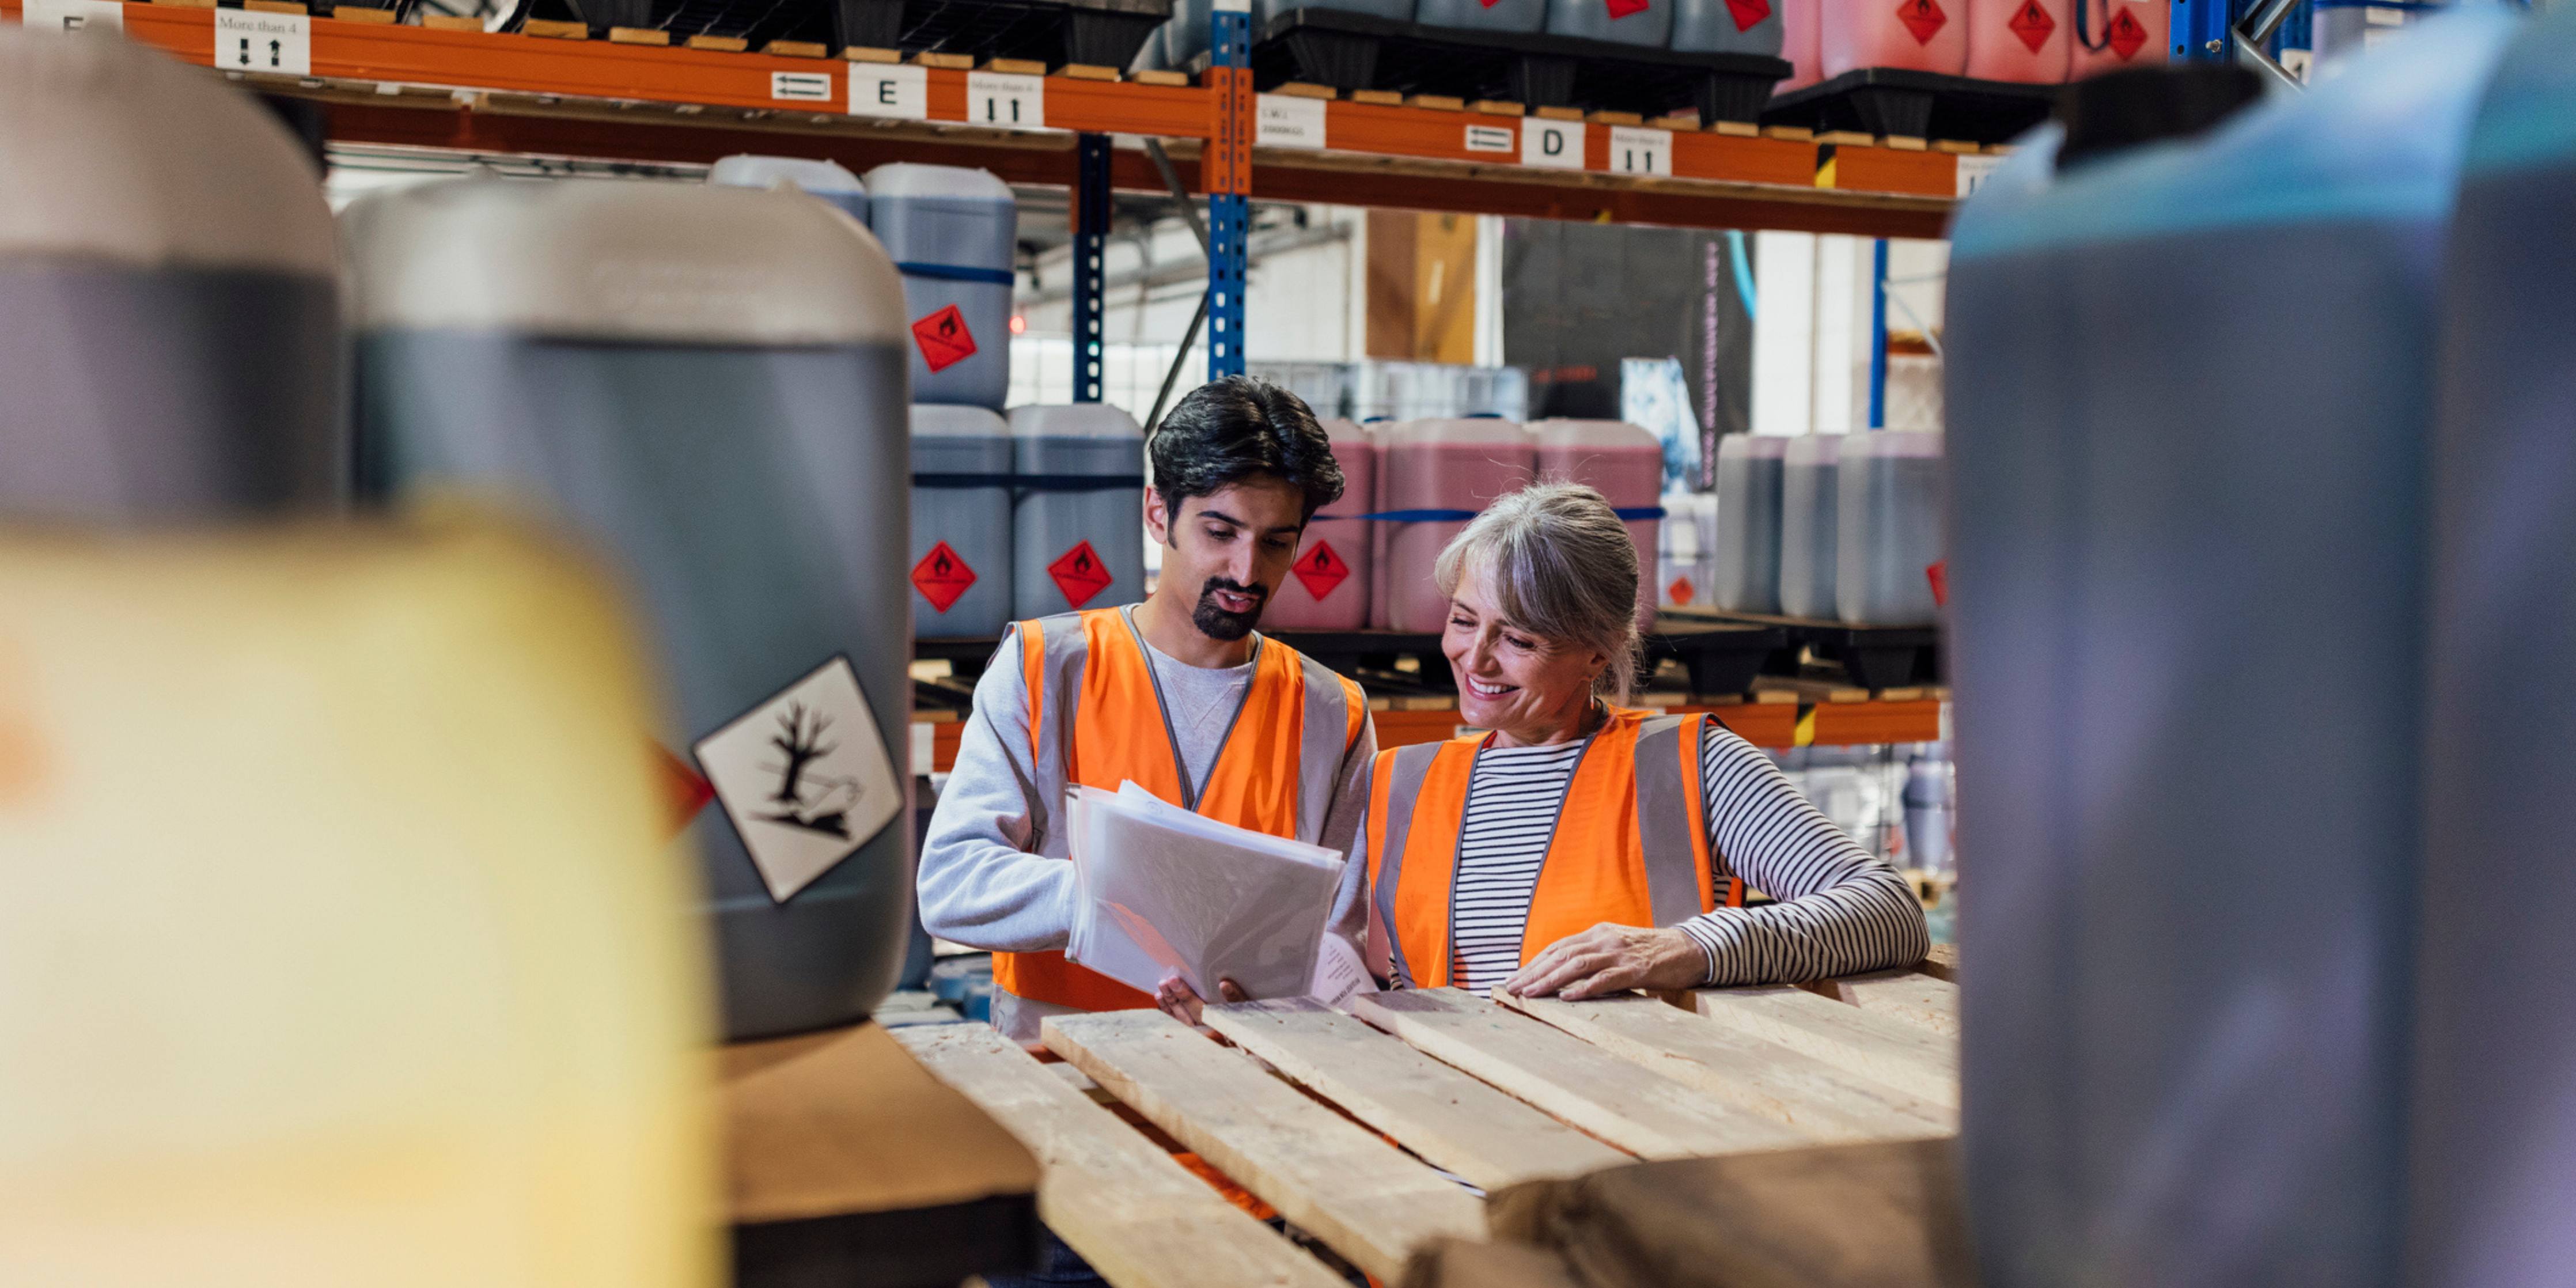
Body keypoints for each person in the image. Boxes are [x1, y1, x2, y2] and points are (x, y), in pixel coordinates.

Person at [919, 376, 1377, 1045]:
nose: (1246, 571)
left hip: (1252, 1079)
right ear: (1157, 513)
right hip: (1066, 1074)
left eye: (1276, 543)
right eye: (1220, 532)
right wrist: (1124, 899)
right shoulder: (1044, 665)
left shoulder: (1333, 711)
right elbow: (952, 881)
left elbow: (1339, 932)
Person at [1364, 482, 1927, 998]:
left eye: (1517, 638)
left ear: (1597, 651)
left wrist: (1690, 947)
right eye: (1463, 621)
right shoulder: (1403, 782)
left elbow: (1889, 911)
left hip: (1638, 1096)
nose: (1476, 657)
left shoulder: (1685, 765)